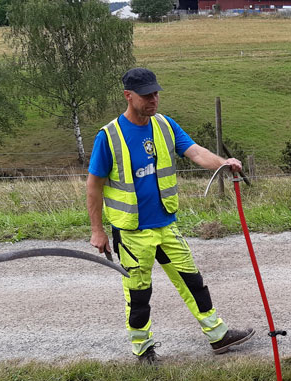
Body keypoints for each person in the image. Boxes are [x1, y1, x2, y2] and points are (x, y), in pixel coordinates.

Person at [87, 67, 254, 362]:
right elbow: (94, 187)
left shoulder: (164, 125)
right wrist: (97, 231)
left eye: (156, 93)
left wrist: (223, 163)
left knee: (193, 282)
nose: (154, 99)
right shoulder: (109, 136)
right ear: (128, 96)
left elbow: (196, 152)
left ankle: (218, 336)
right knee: (139, 295)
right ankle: (143, 349)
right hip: (132, 233)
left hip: (166, 224)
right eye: (147, 95)